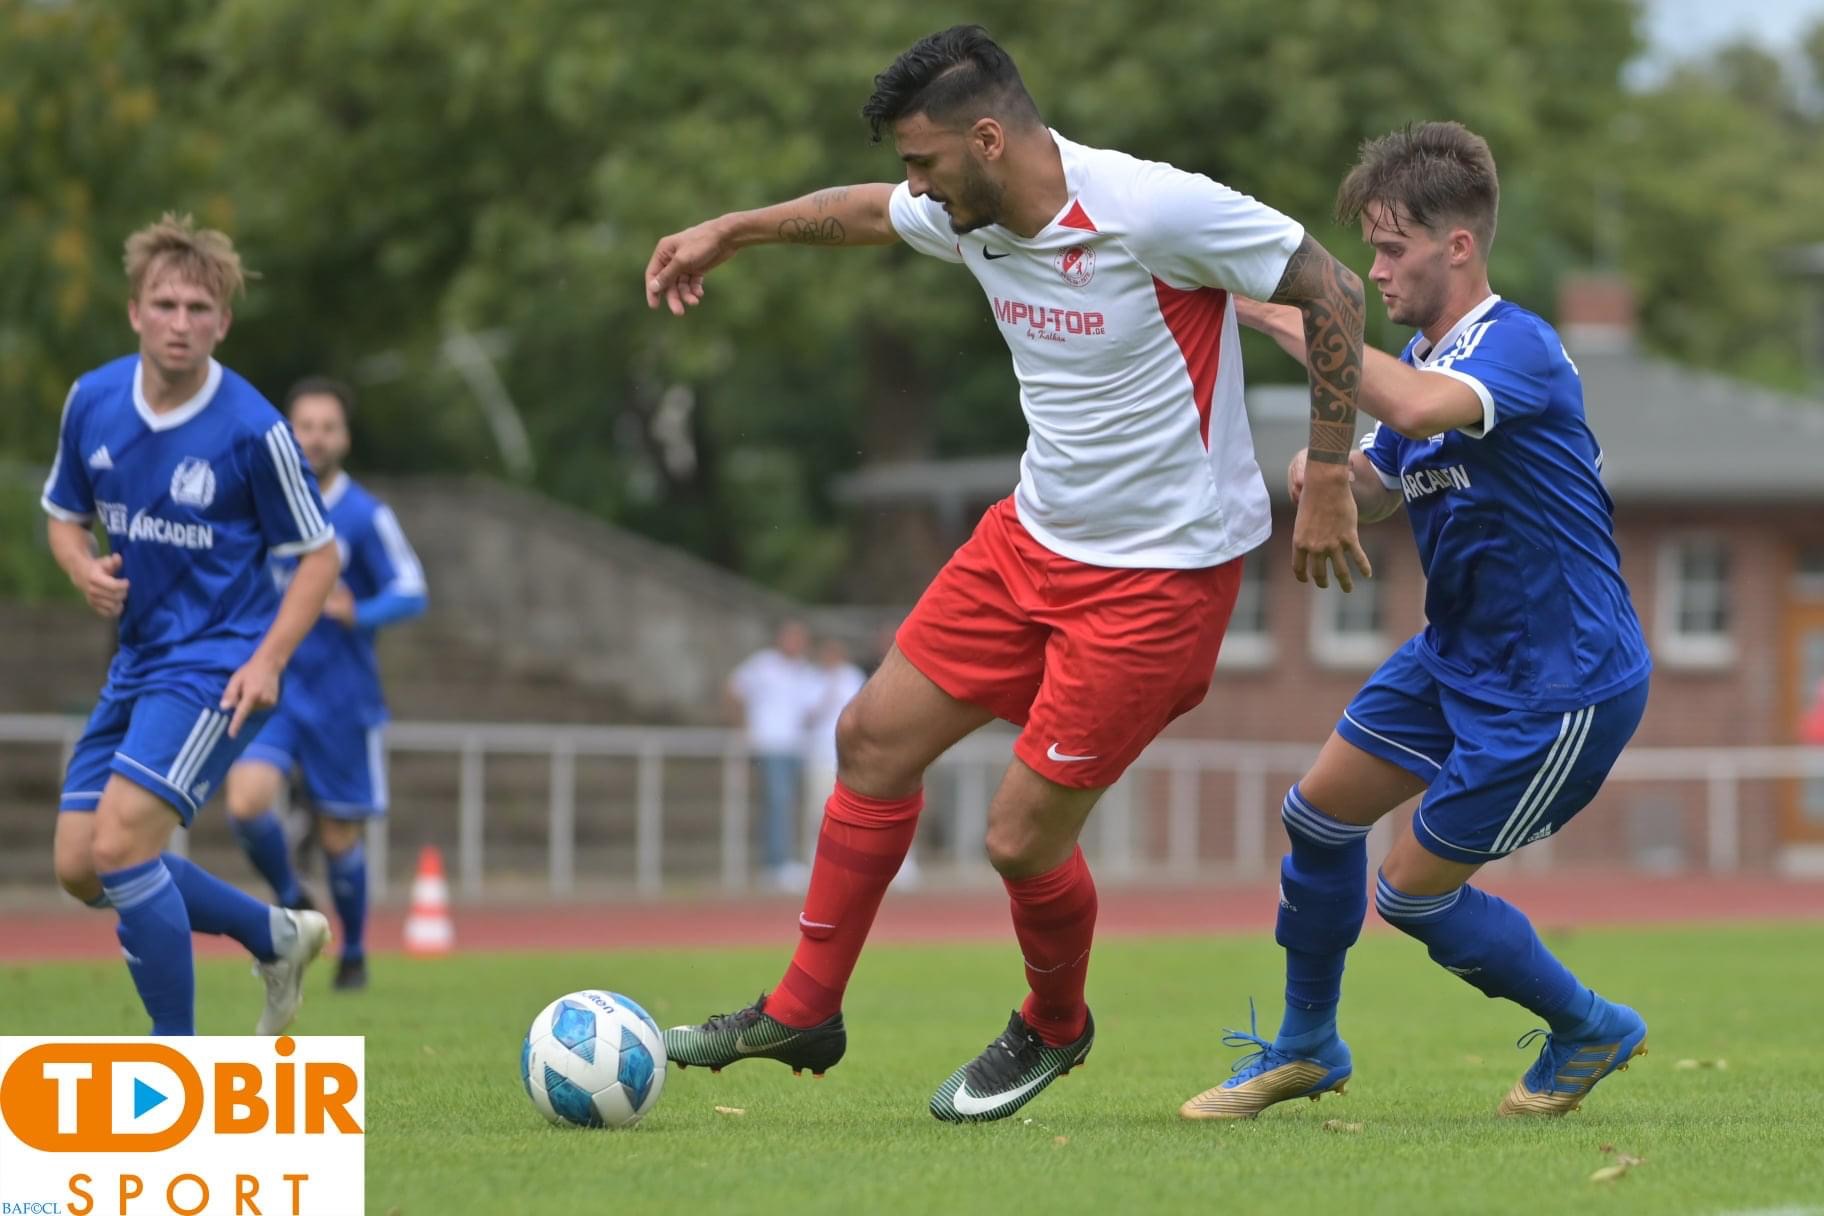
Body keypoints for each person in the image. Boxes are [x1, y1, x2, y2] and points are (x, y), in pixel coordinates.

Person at [646, 25, 1369, 1123]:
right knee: (869, 738)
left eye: (925, 162)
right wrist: (731, 232)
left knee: (1017, 836)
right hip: (1028, 543)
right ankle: (803, 1008)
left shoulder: (1153, 208)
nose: (914, 188)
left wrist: (1322, 473)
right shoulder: (965, 213)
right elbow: (853, 212)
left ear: (989, 139)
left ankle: (1055, 1026)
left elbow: (1336, 291)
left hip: (1158, 580)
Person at [1177, 122, 1653, 1121]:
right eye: (1371, 250)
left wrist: (1294, 317)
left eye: (1392, 249)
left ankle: (1591, 1024)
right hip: (1459, 656)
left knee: (1412, 893)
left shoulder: (1511, 345)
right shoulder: (1423, 354)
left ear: (1459, 247)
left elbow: (1426, 411)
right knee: (1317, 816)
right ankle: (1306, 1045)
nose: (1376, 268)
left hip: (1559, 683)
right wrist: (1332, 477)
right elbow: (1393, 477)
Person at [42, 213, 340, 1036]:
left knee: (123, 848)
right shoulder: (93, 401)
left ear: (224, 322)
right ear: (135, 310)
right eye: (165, 305)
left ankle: (176, 1065)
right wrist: (81, 569)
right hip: (138, 662)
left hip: (217, 665)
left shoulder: (253, 429)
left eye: (199, 309)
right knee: (78, 865)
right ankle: (272, 933)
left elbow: (319, 558)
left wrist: (270, 660)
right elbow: (63, 517)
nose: (181, 323)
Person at [225, 376, 428, 992]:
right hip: (273, 688)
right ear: (287, 431)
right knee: (246, 801)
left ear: (344, 436)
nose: (314, 436)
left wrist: (357, 612)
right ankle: (292, 896)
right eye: (303, 425)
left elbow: (412, 590)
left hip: (342, 698)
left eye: (326, 426)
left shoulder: (366, 515)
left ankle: (356, 952)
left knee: (342, 836)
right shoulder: (262, 502)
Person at [727, 621, 820, 891]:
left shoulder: (805, 671)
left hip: (796, 746)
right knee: (778, 801)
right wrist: (743, 728)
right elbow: (733, 690)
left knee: (789, 804)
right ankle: (775, 863)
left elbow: (811, 710)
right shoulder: (763, 664)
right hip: (769, 745)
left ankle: (786, 859)